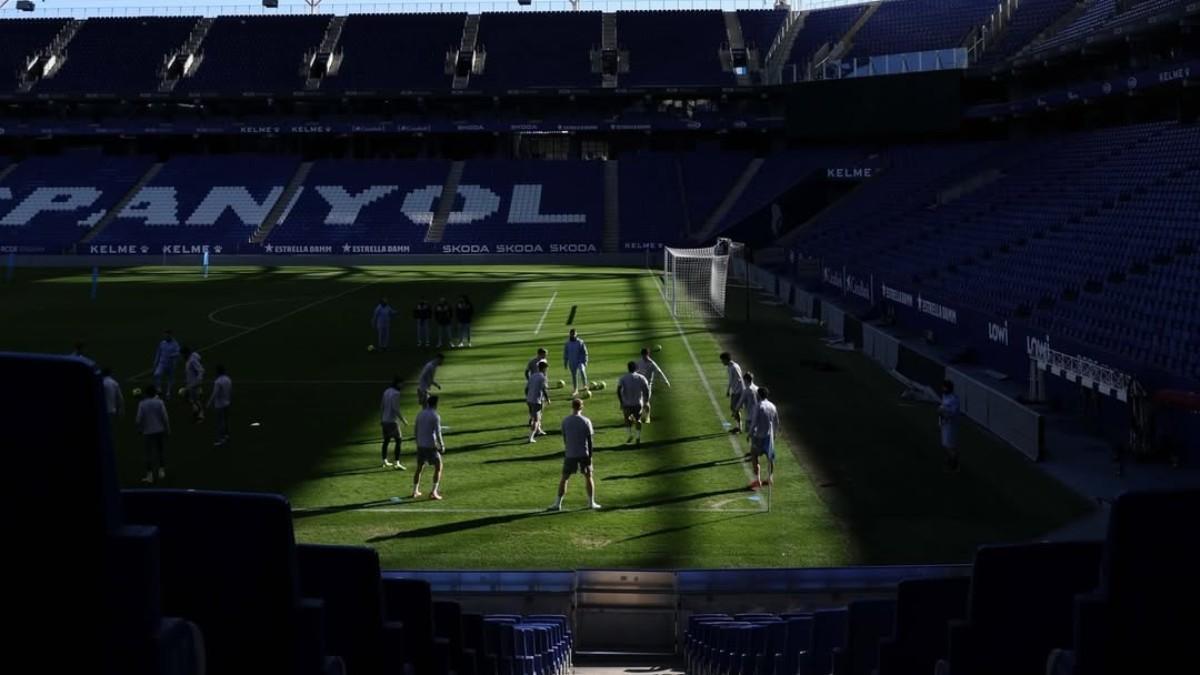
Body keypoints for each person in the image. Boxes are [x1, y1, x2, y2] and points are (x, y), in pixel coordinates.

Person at [550, 398, 600, 511]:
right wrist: (590, 456)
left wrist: (568, 449)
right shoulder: (586, 421)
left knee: (564, 478)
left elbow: (565, 438)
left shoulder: (565, 421)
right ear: (581, 407)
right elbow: (590, 440)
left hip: (570, 453)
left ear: (572, 407)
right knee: (588, 477)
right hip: (584, 453)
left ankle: (558, 503)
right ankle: (591, 503)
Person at [412, 395, 445, 500]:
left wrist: (417, 442)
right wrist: (442, 445)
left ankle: (415, 491)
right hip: (430, 446)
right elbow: (438, 433)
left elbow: (416, 429)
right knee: (439, 466)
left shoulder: (420, 414)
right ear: (435, 404)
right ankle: (434, 492)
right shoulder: (435, 416)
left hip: (420, 445)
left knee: (419, 468)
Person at [136, 385, 170, 483]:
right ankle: (161, 471)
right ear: (155, 393)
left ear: (146, 394)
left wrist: (139, 429)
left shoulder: (142, 404)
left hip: (147, 432)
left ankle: (149, 475)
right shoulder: (160, 402)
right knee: (160, 451)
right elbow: (165, 417)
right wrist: (168, 429)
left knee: (148, 454)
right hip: (160, 430)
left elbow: (138, 420)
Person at [748, 387, 779, 490]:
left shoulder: (758, 406)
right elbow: (776, 422)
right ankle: (770, 478)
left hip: (759, 436)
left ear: (758, 395)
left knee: (754, 456)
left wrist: (750, 433)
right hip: (769, 437)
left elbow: (754, 422)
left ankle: (757, 480)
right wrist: (774, 435)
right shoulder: (773, 406)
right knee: (770, 458)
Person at [617, 361, 651, 445]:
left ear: (628, 368)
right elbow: (647, 389)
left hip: (627, 403)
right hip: (638, 403)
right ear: (636, 368)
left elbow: (618, 390)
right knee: (638, 420)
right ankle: (638, 437)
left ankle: (630, 435)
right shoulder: (641, 377)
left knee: (627, 419)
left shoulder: (623, 378)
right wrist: (646, 400)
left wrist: (621, 402)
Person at [380, 376, 409, 470]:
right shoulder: (396, 393)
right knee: (399, 440)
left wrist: (381, 419)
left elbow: (382, 406)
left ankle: (384, 461)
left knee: (386, 441)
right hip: (392, 422)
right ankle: (397, 463)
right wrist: (403, 420)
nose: (403, 385)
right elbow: (395, 408)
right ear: (398, 383)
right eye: (402, 384)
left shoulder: (386, 391)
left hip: (385, 420)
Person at [636, 347, 671, 423]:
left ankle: (647, 417)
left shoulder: (652, 364)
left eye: (644, 355)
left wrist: (666, 381)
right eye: (642, 355)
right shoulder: (639, 362)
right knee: (639, 402)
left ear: (647, 354)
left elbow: (659, 372)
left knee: (646, 402)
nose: (643, 357)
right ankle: (640, 416)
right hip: (639, 385)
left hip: (648, 386)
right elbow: (635, 371)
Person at [526, 361, 552, 443]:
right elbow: (544, 389)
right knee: (536, 419)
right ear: (544, 368)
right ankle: (531, 437)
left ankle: (539, 430)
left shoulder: (532, 376)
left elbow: (526, 388)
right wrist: (548, 399)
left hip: (529, 399)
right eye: (546, 368)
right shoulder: (543, 377)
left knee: (536, 416)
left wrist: (528, 396)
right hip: (536, 400)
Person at [207, 365, 232, 447]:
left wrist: (209, 402)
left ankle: (220, 439)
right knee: (226, 420)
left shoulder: (218, 381)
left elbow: (215, 393)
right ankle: (226, 435)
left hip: (220, 404)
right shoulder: (228, 379)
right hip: (227, 402)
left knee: (220, 422)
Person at [720, 352, 745, 433]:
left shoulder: (734, 367)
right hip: (735, 390)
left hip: (738, 391)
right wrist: (729, 390)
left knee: (734, 408)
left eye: (722, 360)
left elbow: (739, 378)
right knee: (734, 408)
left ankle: (739, 427)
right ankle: (738, 427)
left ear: (726, 359)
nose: (722, 362)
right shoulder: (729, 367)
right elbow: (731, 380)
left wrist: (739, 391)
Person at [152, 330, 181, 399]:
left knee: (170, 379)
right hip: (162, 363)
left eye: (167, 336)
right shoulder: (162, 343)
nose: (165, 337)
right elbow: (158, 352)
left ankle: (168, 392)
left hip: (171, 364)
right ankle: (159, 389)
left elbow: (178, 352)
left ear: (171, 336)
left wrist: (172, 355)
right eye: (165, 335)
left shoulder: (175, 344)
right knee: (156, 374)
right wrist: (155, 362)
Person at [939, 379, 960, 472]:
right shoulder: (945, 396)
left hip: (950, 425)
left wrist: (943, 412)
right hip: (945, 423)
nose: (942, 388)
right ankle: (949, 460)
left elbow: (953, 413)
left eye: (944, 387)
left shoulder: (953, 399)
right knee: (945, 444)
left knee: (950, 445)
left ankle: (954, 465)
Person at [562, 329, 589, 396]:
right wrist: (565, 362)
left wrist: (585, 361)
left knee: (582, 371)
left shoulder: (580, 342)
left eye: (574, 334)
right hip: (572, 361)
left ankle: (585, 385)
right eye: (571, 334)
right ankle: (575, 389)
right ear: (569, 334)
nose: (573, 335)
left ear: (576, 334)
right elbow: (565, 353)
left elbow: (585, 352)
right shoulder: (567, 343)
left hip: (580, 361)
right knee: (574, 375)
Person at [183, 346, 205, 423]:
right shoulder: (189, 360)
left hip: (194, 384)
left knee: (196, 400)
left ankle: (201, 415)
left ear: (186, 353)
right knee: (189, 398)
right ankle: (196, 411)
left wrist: (198, 381)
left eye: (183, 354)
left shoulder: (192, 360)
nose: (182, 356)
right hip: (190, 384)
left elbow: (201, 370)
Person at [740, 372, 760, 445]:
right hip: (757, 414)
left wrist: (736, 410)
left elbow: (740, 402)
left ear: (746, 380)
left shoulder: (747, 390)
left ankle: (754, 452)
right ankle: (753, 451)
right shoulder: (757, 388)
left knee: (751, 434)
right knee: (754, 433)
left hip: (750, 415)